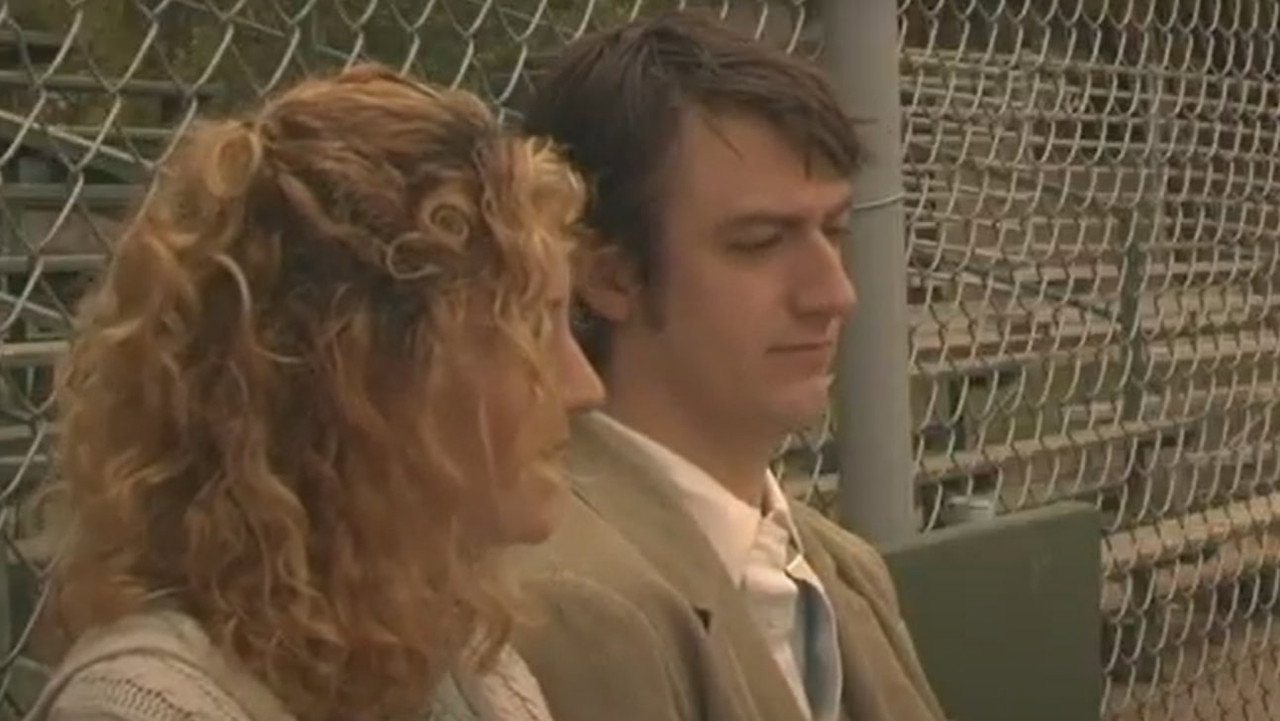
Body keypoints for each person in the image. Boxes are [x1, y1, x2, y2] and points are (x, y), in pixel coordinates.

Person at [24, 63, 603, 721]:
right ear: (366, 373)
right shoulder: (151, 709)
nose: (584, 386)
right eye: (532, 330)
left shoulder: (476, 671)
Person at [509, 11, 948, 721]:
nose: (834, 293)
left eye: (835, 230)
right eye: (760, 242)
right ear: (609, 276)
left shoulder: (844, 569)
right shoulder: (574, 604)